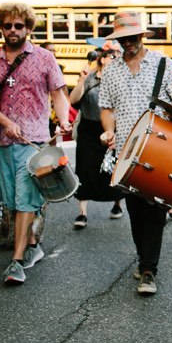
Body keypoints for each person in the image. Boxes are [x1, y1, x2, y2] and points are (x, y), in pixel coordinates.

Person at [0, 2, 71, 286]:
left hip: (34, 141)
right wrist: (5, 122)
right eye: (7, 26)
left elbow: (59, 94)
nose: (12, 30)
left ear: (28, 28)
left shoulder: (45, 58)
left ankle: (16, 262)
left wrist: (63, 119)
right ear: (0, 27)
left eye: (18, 26)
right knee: (14, 202)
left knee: (26, 199)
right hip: (1, 141)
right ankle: (32, 247)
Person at [99, 11, 172, 296]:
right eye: (123, 39)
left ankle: (149, 269)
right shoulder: (111, 70)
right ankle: (144, 258)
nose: (128, 43)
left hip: (161, 148)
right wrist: (107, 131)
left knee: (156, 209)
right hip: (126, 150)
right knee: (136, 211)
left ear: (142, 36)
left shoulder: (164, 64)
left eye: (132, 37)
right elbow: (106, 107)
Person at [68, 41, 124, 230]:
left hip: (113, 130)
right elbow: (73, 100)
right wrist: (81, 80)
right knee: (85, 169)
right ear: (101, 58)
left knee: (113, 169)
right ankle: (82, 213)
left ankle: (117, 204)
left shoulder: (121, 78)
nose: (114, 58)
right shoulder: (90, 77)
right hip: (89, 130)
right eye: (110, 55)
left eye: (117, 55)